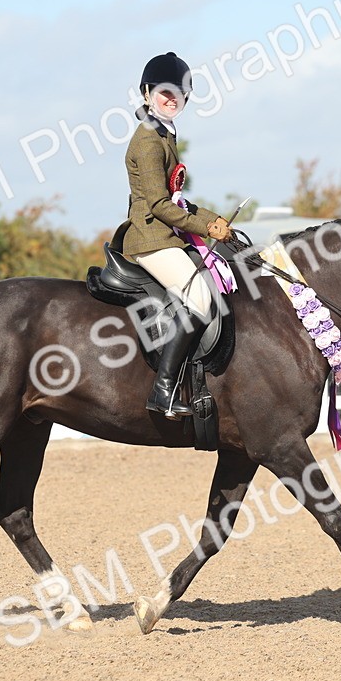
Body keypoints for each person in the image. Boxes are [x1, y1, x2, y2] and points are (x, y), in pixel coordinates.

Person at [121, 52, 233, 419]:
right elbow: (158, 205)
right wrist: (205, 228)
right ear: (148, 92)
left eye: (179, 93)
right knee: (200, 300)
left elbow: (178, 199)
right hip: (150, 239)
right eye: (165, 92)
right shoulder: (149, 142)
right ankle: (163, 390)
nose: (172, 98)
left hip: (164, 236)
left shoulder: (164, 135)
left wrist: (218, 221)